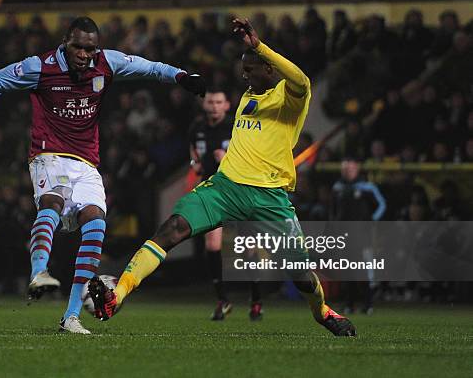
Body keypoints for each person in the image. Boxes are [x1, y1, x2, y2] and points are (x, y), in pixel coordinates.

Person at [89, 18, 356, 337]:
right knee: (173, 228)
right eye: (243, 70)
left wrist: (258, 46)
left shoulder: (289, 97)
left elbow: (301, 80)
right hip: (226, 187)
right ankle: (116, 297)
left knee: (299, 272)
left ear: (269, 69)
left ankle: (322, 312)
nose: (245, 75)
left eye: (251, 69)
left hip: (269, 195)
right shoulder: (248, 97)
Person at [0, 16, 206, 334]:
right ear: (65, 42)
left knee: (96, 222)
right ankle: (39, 272)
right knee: (52, 203)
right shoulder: (40, 67)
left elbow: (150, 67)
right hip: (48, 155)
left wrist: (181, 76)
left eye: (90, 49)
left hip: (86, 162)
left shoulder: (107, 63)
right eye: (78, 47)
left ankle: (70, 316)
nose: (85, 55)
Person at [189, 88, 262, 320]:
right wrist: (195, 163)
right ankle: (224, 299)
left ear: (227, 105)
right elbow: (193, 152)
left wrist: (229, 157)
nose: (214, 106)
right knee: (212, 245)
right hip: (212, 190)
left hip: (239, 187)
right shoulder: (197, 128)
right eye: (210, 101)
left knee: (249, 246)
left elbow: (253, 153)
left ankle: (256, 300)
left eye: (219, 102)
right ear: (205, 104)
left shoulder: (237, 126)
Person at [331, 158, 386, 315]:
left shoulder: (366, 187)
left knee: (365, 269)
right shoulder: (338, 187)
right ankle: (349, 304)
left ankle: (368, 304)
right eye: (344, 169)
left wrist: (373, 220)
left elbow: (382, 204)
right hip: (344, 234)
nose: (347, 172)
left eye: (350, 169)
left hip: (362, 234)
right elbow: (333, 210)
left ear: (356, 169)